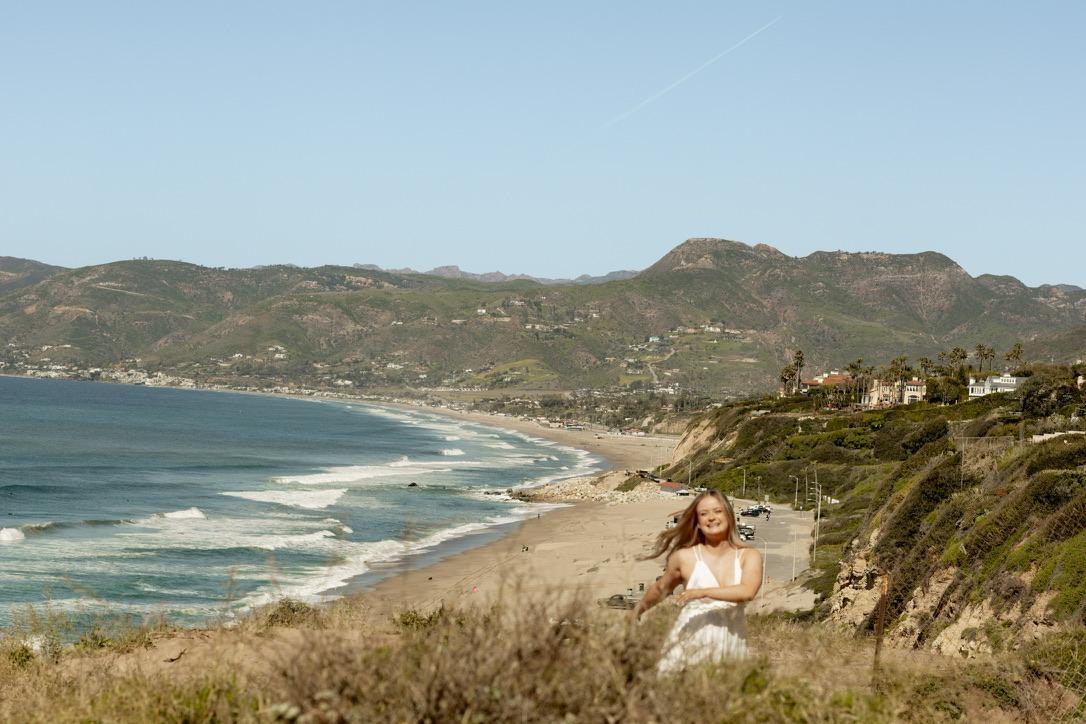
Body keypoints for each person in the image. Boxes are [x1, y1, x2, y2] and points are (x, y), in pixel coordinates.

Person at [630, 490, 763, 671]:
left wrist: (702, 592)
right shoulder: (684, 557)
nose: (711, 517)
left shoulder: (749, 555)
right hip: (688, 641)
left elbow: (747, 592)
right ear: (698, 523)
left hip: (731, 641)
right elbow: (661, 588)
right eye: (703, 513)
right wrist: (637, 611)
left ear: (729, 516)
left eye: (717, 511)